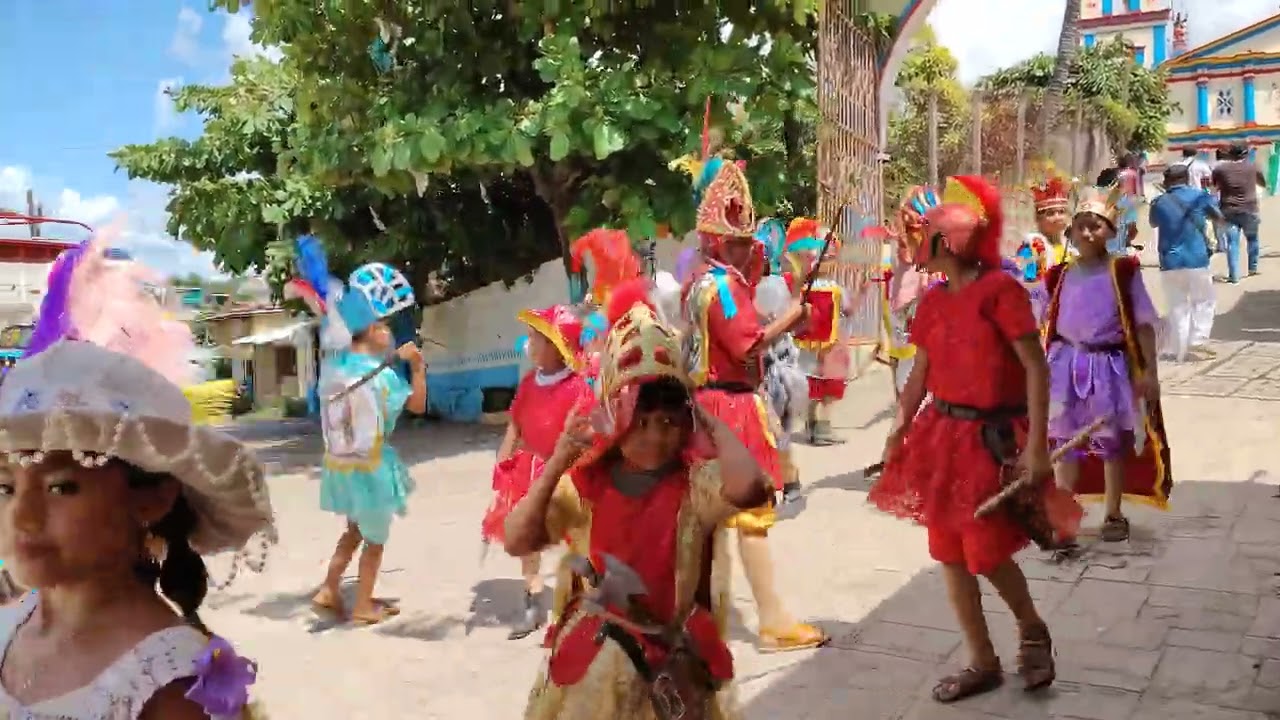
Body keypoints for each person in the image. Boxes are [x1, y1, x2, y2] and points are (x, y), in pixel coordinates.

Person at [0, 230, 274, 718]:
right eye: (5, 486)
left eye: (62, 486)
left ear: (151, 500)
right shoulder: (12, 623)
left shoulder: (168, 683)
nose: (22, 515)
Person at [504, 281, 773, 718]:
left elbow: (753, 488)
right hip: (598, 668)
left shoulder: (695, 484)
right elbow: (517, 540)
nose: (653, 436)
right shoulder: (588, 483)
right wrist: (557, 463)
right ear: (616, 417)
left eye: (668, 421)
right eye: (639, 420)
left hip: (668, 666)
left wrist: (710, 421)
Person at [869, 175, 1081, 704]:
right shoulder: (935, 301)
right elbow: (919, 374)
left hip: (992, 440)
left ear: (950, 243)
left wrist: (1036, 447)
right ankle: (981, 660)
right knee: (948, 551)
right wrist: (897, 430)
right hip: (941, 437)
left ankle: (1032, 630)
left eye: (928, 237)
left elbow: (1036, 367)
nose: (918, 244)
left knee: (984, 550)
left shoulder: (1000, 291)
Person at [675, 148, 827, 652]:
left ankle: (694, 618)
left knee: (707, 520)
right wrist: (793, 319)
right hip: (730, 409)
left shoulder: (697, 282)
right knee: (751, 514)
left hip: (704, 406)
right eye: (741, 242)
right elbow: (748, 344)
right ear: (723, 242)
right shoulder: (722, 287)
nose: (749, 251)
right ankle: (771, 620)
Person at [1044, 186, 1172, 543]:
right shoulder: (1058, 275)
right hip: (1064, 366)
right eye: (1081, 225)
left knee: (1110, 442)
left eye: (1096, 226)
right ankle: (1064, 512)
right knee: (1064, 441)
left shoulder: (1123, 272)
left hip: (1108, 368)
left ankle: (1113, 513)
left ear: (1111, 232)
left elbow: (1144, 324)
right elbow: (1043, 321)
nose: (1087, 233)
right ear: (1070, 231)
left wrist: (1149, 372)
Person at [312, 261, 427, 625]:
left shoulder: (337, 369)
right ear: (375, 329)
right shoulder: (386, 379)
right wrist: (419, 368)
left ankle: (330, 588)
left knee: (353, 531)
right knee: (374, 540)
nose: (391, 336)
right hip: (372, 468)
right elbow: (418, 407)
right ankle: (363, 605)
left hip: (340, 466)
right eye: (387, 329)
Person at [484, 304, 590, 639]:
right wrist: (503, 461)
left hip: (565, 473)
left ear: (558, 346)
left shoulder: (577, 387)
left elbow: (580, 435)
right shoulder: (529, 383)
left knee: (576, 537)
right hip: (528, 472)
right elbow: (515, 425)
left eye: (536, 338)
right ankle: (532, 596)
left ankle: (585, 601)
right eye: (530, 336)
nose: (528, 343)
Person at [754, 219, 809, 504]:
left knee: (776, 432)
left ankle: (789, 484)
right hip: (771, 370)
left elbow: (768, 328)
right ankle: (784, 484)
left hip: (776, 372)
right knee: (771, 432)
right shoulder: (767, 284)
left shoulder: (770, 286)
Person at [1150, 164, 1222, 362]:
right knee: (1205, 300)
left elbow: (1153, 223)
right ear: (1187, 178)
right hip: (1196, 258)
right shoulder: (1199, 196)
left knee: (1177, 305)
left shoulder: (1158, 202)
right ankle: (1198, 339)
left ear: (1166, 181)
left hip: (1169, 260)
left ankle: (1179, 348)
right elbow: (1217, 216)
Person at [880, 185, 941, 395]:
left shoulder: (935, 261)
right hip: (903, 302)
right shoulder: (900, 242)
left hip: (915, 301)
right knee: (902, 360)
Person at [1211, 143, 1268, 281]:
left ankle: (1234, 275)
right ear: (1246, 154)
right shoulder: (1253, 166)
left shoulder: (1220, 169)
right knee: (1252, 239)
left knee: (1232, 242)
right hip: (1250, 209)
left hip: (1228, 210)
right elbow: (1263, 183)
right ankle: (1252, 268)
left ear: (1230, 154)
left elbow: (1215, 187)